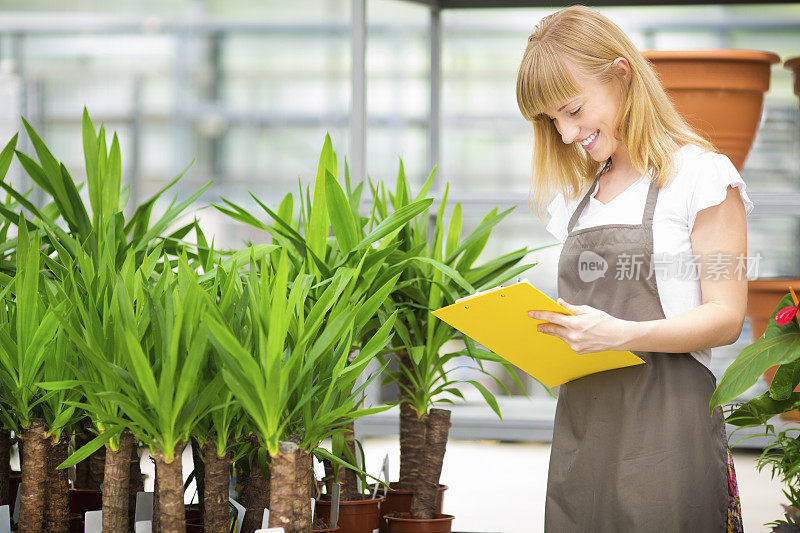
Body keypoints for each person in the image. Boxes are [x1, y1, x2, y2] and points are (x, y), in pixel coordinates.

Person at [515, 5, 752, 532]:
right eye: (552, 120)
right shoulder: (578, 197)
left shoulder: (700, 176)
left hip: (667, 437)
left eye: (573, 109)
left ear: (621, 74)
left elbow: (726, 316)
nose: (568, 132)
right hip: (583, 434)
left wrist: (622, 333)